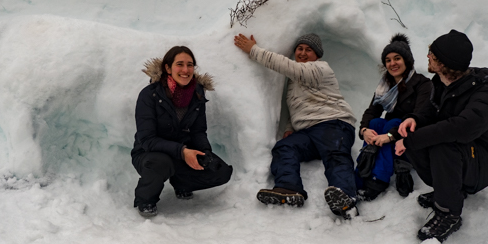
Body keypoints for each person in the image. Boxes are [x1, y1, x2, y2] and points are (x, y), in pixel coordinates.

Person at [394, 30, 488, 242]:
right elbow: (431, 110)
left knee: (442, 144)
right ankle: (447, 190)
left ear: (446, 63)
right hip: (465, 154)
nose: (427, 56)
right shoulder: (440, 81)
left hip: (486, 161)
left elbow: (458, 129)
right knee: (420, 135)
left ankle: (449, 213)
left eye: (432, 55)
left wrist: (411, 140)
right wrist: (415, 120)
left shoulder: (483, 95)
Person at [234, 32, 358, 219]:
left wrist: (253, 50)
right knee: (285, 147)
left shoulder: (320, 69)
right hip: (308, 132)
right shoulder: (294, 81)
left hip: (333, 124)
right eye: (299, 49)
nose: (302, 53)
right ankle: (289, 188)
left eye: (308, 50)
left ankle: (346, 199)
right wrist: (289, 129)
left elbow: (287, 66)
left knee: (335, 156)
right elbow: (297, 107)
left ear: (317, 55)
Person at [131, 46, 232, 217]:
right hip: (149, 153)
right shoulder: (150, 95)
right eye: (180, 64)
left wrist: (205, 154)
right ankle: (145, 199)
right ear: (168, 68)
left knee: (220, 171)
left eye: (190, 65)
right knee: (160, 162)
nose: (186, 70)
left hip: (181, 152)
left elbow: (199, 131)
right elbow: (147, 139)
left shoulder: (197, 94)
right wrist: (183, 152)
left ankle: (182, 183)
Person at [356, 34, 433, 201]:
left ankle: (378, 179)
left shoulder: (423, 83)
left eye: (397, 58)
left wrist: (390, 136)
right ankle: (362, 170)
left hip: (409, 136)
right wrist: (364, 130)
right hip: (390, 133)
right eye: (388, 60)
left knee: (394, 121)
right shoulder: (385, 86)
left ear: (407, 60)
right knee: (375, 122)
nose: (392, 63)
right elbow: (372, 111)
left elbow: (420, 115)